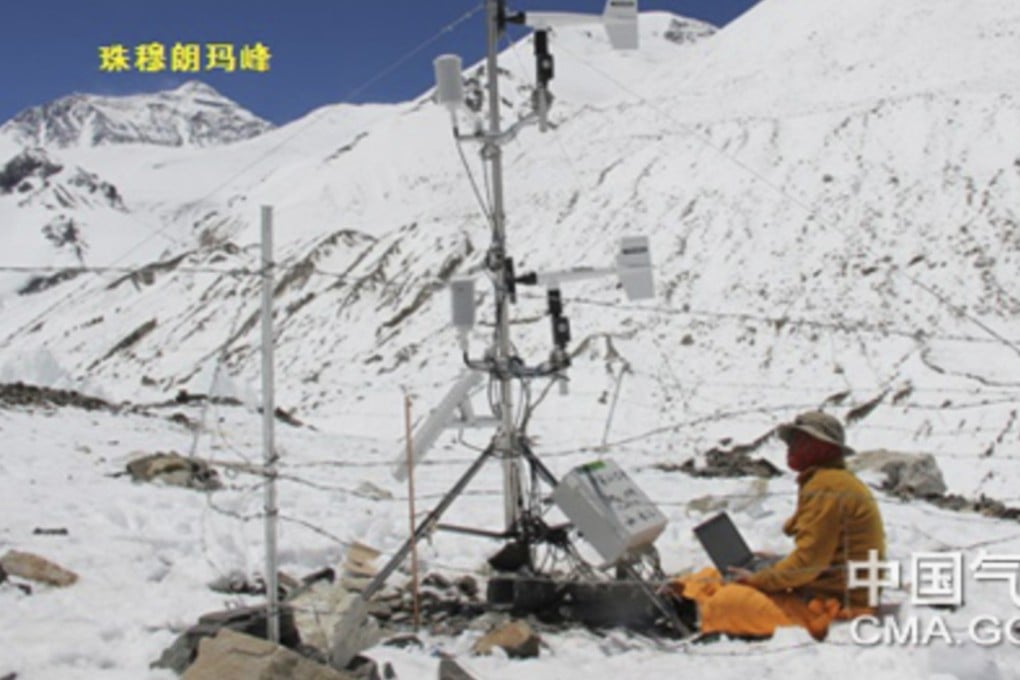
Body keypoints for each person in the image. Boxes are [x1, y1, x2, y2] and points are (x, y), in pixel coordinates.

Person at [669, 411, 886, 641]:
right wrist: (774, 565)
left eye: (798, 440)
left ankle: (684, 613)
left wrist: (759, 579)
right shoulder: (830, 480)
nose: (789, 447)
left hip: (834, 607)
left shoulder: (827, 486)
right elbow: (819, 555)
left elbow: (808, 564)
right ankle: (679, 595)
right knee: (715, 575)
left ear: (823, 448)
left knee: (730, 600)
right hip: (824, 592)